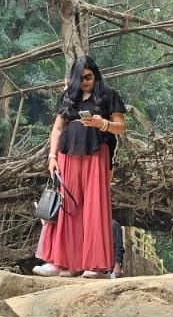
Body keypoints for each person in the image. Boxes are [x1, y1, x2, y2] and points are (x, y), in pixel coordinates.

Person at [35, 56, 125, 278]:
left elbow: (121, 127)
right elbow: (57, 128)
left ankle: (93, 264)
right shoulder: (68, 97)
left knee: (94, 208)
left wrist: (102, 123)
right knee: (67, 206)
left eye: (89, 76)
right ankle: (60, 261)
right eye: (81, 77)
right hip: (67, 154)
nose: (85, 81)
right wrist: (51, 156)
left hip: (96, 153)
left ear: (95, 74)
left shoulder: (107, 95)